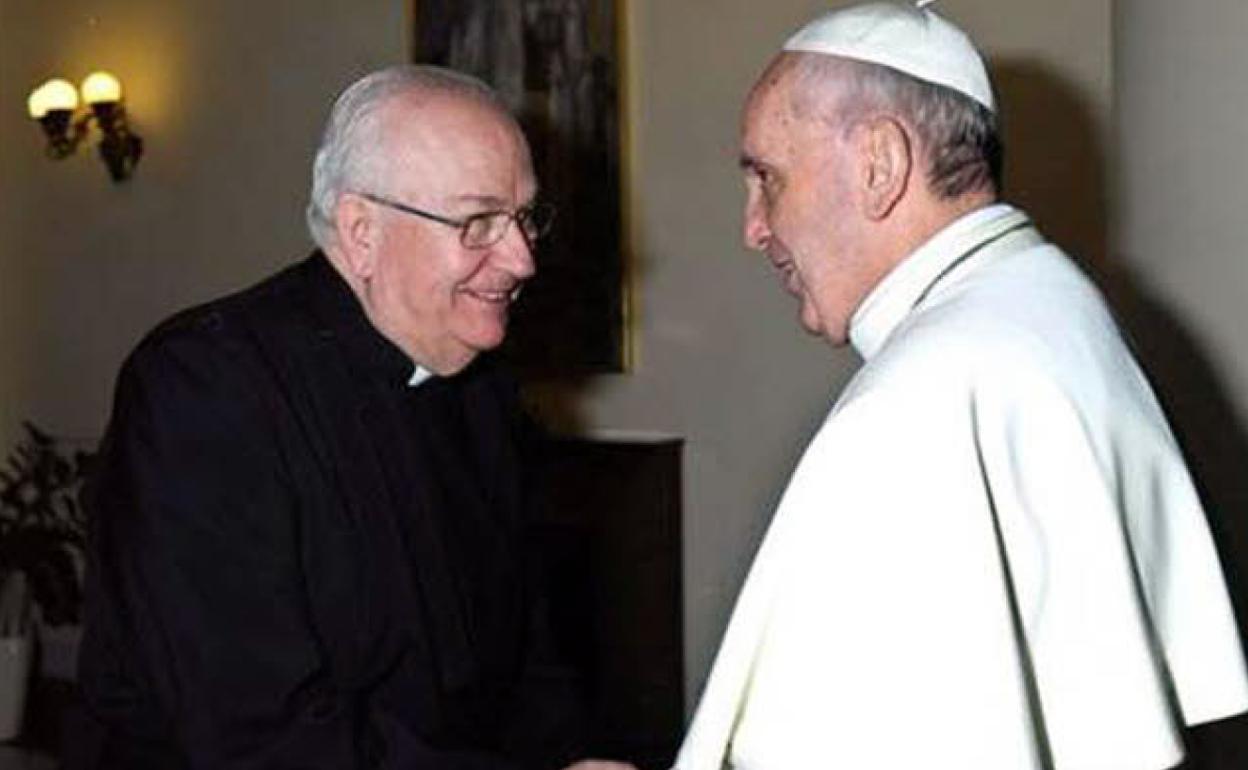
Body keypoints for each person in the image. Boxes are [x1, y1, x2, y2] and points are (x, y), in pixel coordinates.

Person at [674, 3, 1248, 769]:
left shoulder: (919, 404)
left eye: (767, 179)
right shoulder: (1046, 300)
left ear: (879, 163)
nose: (753, 227)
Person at [76, 64, 634, 770]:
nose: (521, 258)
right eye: (478, 222)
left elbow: (525, 658)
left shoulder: (482, 390)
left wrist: (570, 759)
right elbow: (254, 736)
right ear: (361, 230)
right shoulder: (202, 386)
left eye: (524, 217)